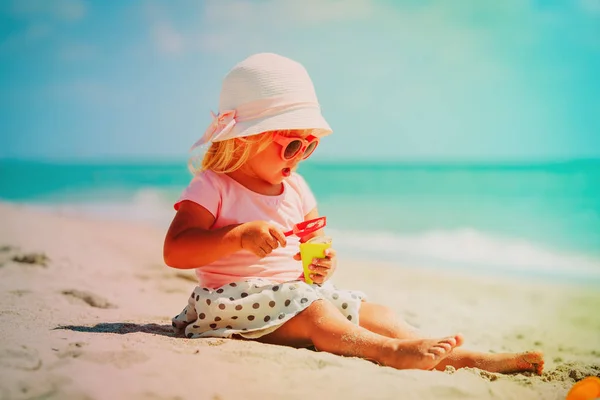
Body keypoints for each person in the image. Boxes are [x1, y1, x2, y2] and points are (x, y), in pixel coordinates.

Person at [163, 52, 544, 373]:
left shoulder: (295, 186)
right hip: (233, 303)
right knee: (318, 316)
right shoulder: (213, 187)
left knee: (375, 313)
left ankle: (469, 358)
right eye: (292, 146)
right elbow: (176, 250)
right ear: (246, 138)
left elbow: (313, 240)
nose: (299, 159)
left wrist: (322, 260)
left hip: (293, 294)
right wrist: (237, 237)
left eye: (309, 147)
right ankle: (391, 353)